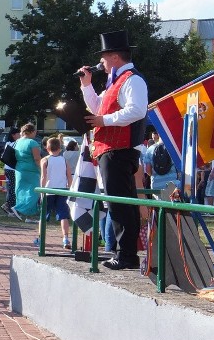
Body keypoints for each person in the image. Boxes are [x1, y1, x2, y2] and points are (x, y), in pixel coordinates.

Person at [80, 30, 148, 270]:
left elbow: (138, 110)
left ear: (115, 56)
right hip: (111, 150)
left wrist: (104, 122)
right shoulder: (114, 82)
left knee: (120, 204)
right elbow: (98, 107)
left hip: (120, 150)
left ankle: (126, 254)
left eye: (104, 57)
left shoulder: (132, 79)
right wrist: (86, 86)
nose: (101, 62)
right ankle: (125, 253)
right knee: (120, 203)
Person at [40, 137, 72, 249]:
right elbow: (69, 176)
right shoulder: (64, 160)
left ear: (47, 148)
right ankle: (65, 238)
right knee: (63, 215)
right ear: (60, 148)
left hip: (49, 190)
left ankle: (40, 237)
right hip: (62, 190)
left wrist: (42, 190)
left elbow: (44, 177)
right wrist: (70, 188)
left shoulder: (45, 160)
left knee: (44, 215)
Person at [11, 123, 41, 224]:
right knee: (34, 193)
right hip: (31, 171)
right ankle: (18, 209)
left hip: (19, 169)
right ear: (32, 131)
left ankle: (29, 217)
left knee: (21, 191)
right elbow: (37, 158)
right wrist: (42, 168)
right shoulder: (32, 143)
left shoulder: (17, 142)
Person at [0, 126, 20, 216]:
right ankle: (8, 206)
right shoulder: (14, 143)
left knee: (10, 187)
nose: (20, 135)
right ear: (13, 135)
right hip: (12, 169)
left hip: (7, 168)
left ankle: (9, 205)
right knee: (13, 188)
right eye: (18, 133)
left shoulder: (7, 143)